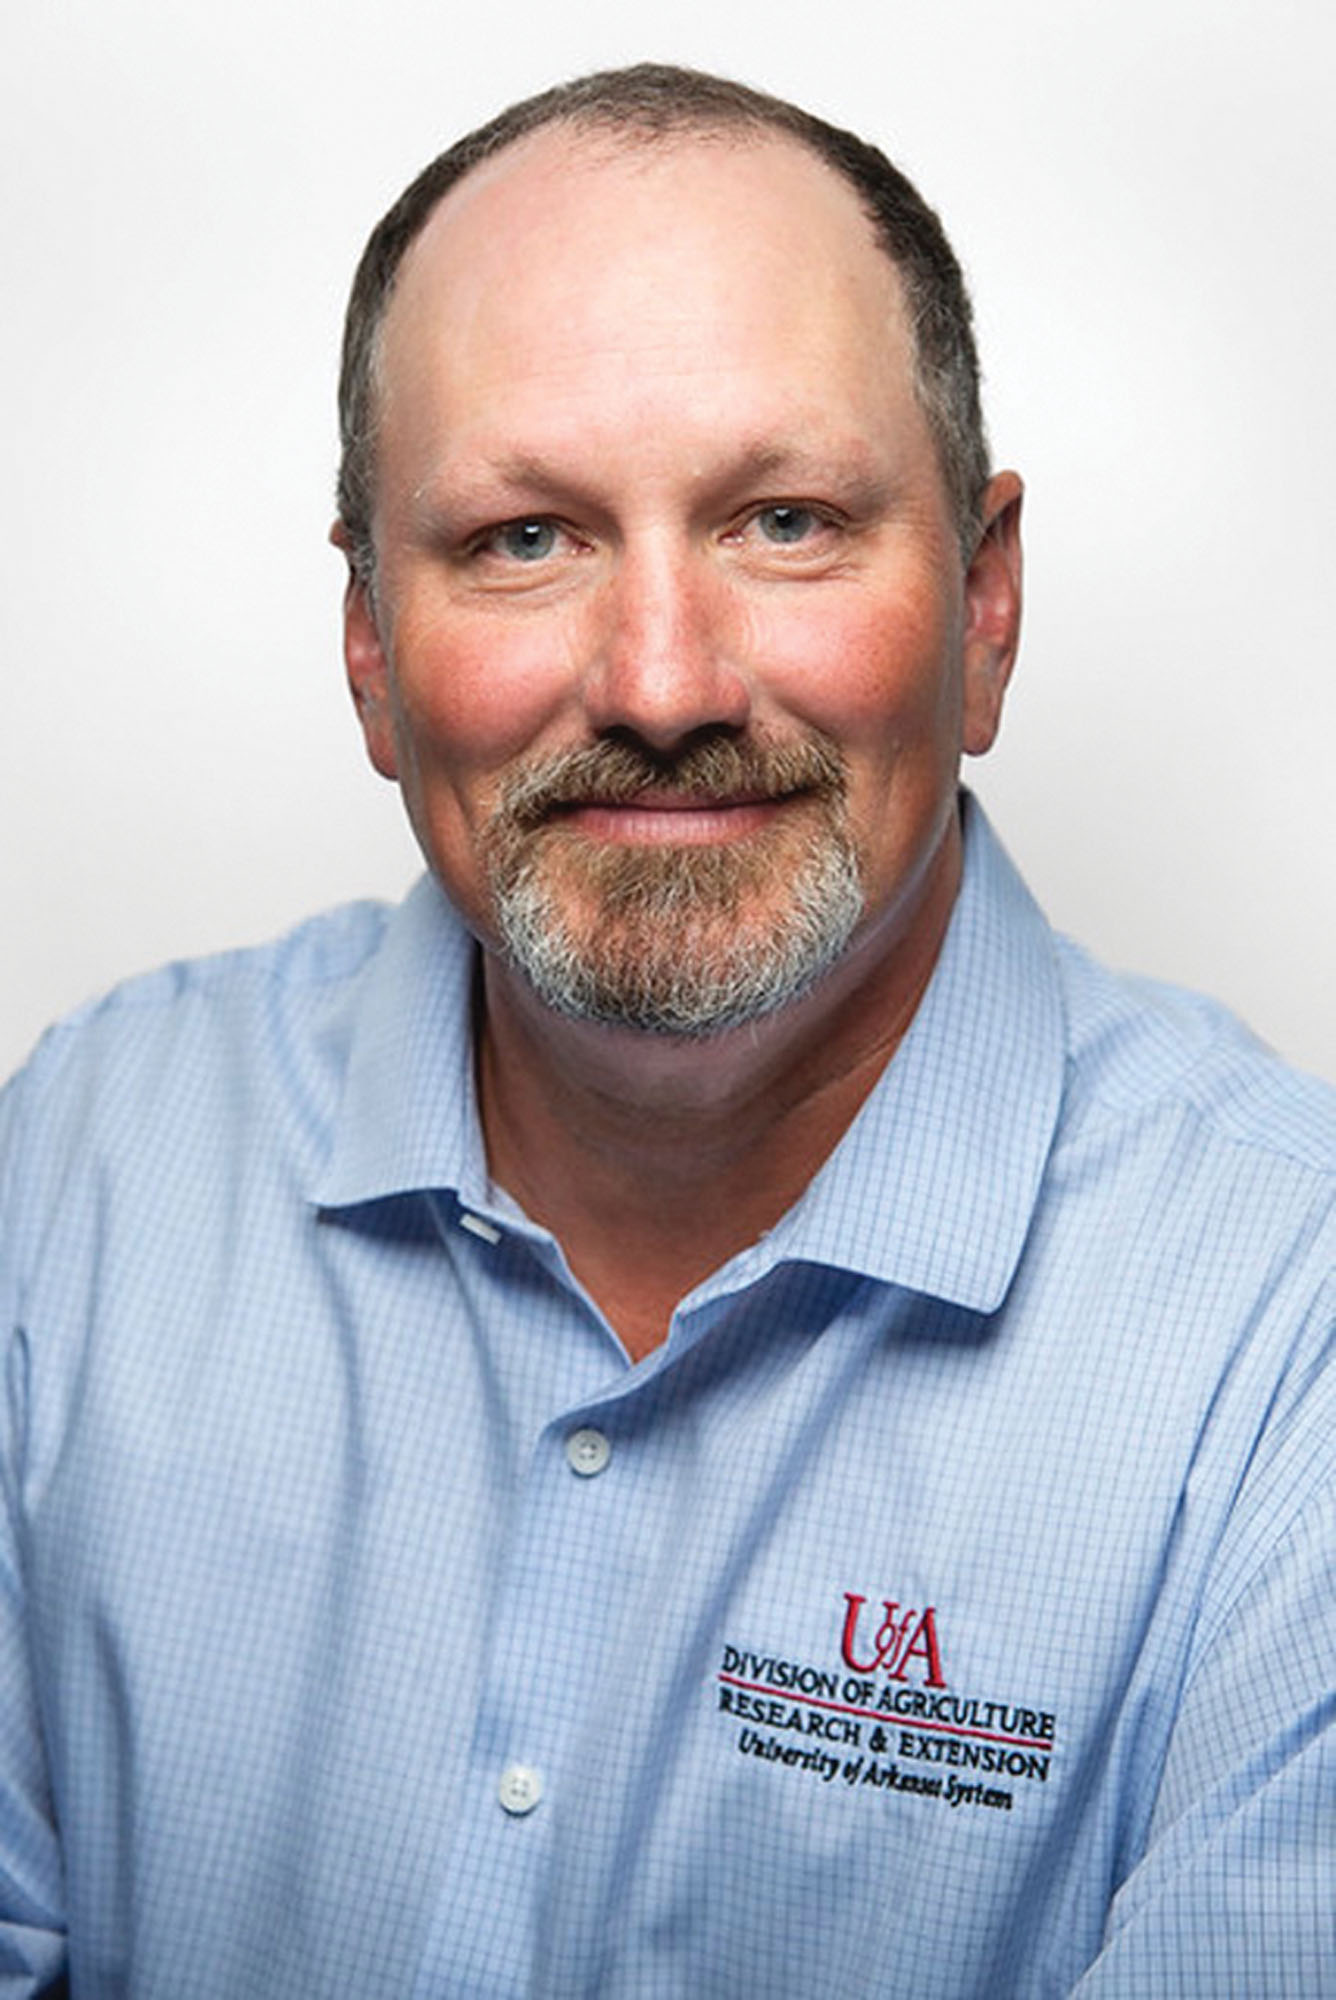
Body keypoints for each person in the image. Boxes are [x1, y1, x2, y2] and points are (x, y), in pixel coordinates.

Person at [0, 62, 1331, 2000]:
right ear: (368, 650)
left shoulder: (1292, 1349)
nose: (658, 682)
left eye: (784, 520)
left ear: (983, 609)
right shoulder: (75, 1180)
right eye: (522, 539)